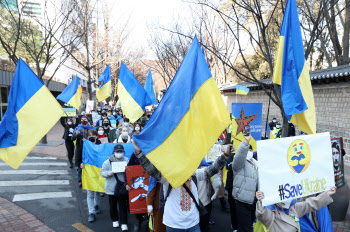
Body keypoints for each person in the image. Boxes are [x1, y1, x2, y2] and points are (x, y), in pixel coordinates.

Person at [132, 140, 230, 232]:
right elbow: (152, 171)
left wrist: (224, 156)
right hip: (173, 226)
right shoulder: (167, 177)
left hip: (194, 224)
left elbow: (211, 170)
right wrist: (139, 153)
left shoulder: (195, 174)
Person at [255, 187, 337, 232]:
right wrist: (261, 201)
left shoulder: (293, 208)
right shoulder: (272, 213)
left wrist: (327, 193)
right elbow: (262, 214)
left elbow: (311, 204)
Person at [231, 134, 258, 232]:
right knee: (246, 229)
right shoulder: (239, 163)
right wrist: (246, 143)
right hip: (242, 202)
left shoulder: (256, 163)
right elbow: (239, 157)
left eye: (251, 150)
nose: (249, 152)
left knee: (246, 227)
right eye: (247, 150)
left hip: (254, 202)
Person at [100, 144, 129, 231]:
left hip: (122, 188)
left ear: (123, 152)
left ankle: (124, 223)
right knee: (113, 205)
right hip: (111, 188)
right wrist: (109, 173)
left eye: (121, 152)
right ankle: (115, 220)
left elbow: (131, 172)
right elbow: (102, 173)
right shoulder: (107, 162)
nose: (119, 153)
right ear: (114, 152)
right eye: (117, 152)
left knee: (123, 206)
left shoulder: (127, 161)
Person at [81, 130, 102, 222]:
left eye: (93, 135)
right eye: (89, 135)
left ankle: (96, 204)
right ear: (87, 137)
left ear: (97, 136)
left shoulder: (100, 144)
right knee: (90, 192)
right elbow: (78, 153)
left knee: (97, 190)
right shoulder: (84, 144)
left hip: (98, 170)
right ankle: (91, 212)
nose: (92, 136)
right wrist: (79, 163)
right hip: (88, 170)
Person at [124, 152, 147, 232]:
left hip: (151, 185)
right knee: (137, 206)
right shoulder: (135, 155)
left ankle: (149, 224)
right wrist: (126, 183)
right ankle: (139, 221)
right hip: (137, 187)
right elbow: (128, 170)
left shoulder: (154, 152)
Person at [197, 160, 221, 232]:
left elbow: (217, 167)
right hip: (197, 203)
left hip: (205, 201)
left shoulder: (206, 164)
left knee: (204, 225)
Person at [72, 116, 94, 187]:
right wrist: (76, 134)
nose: (83, 120)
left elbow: (95, 138)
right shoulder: (78, 128)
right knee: (80, 165)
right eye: (82, 119)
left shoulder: (91, 128)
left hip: (89, 149)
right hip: (80, 149)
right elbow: (72, 138)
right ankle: (80, 180)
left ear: (88, 120)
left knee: (88, 165)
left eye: (85, 119)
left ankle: (88, 179)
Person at [225, 145, 238, 231]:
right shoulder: (232, 160)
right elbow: (229, 165)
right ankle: (234, 226)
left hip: (239, 189)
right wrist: (232, 153)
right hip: (231, 188)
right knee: (233, 208)